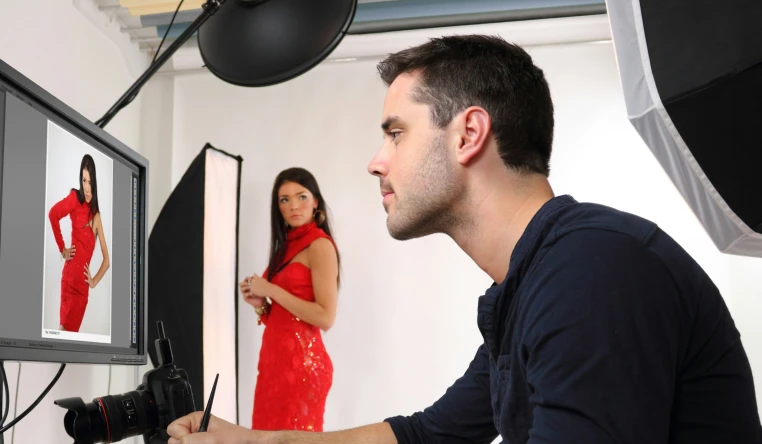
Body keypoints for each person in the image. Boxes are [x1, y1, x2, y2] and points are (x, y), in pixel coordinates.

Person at [169, 35, 762, 444]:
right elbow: (428, 434)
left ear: (468, 133)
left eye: (396, 134)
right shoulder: (529, 288)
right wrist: (247, 438)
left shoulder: (593, 273)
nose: (376, 162)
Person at [239, 167, 340, 432]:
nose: (294, 205)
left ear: (316, 201)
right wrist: (260, 304)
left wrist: (271, 290)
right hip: (274, 365)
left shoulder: (320, 245)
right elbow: (283, 317)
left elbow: (325, 317)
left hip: (302, 368)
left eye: (302, 196)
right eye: (284, 200)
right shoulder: (284, 248)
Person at [48, 154, 110, 332]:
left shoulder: (96, 217)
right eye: (84, 180)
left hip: (81, 289)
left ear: (95, 183)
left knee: (67, 337)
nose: (87, 188)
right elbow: (53, 214)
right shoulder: (75, 198)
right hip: (68, 280)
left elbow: (107, 261)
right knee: (62, 334)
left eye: (90, 182)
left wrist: (93, 281)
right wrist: (63, 250)